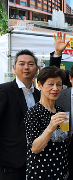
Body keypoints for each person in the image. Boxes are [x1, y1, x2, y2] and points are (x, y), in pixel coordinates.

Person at [0, 50, 40, 180]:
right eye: (21, 64)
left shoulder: (38, 95)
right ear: (14, 67)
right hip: (10, 161)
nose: (26, 68)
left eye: (30, 64)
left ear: (37, 69)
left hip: (34, 160)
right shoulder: (4, 90)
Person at [24, 66, 69, 179]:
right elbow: (34, 148)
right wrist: (50, 127)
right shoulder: (33, 112)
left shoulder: (61, 111)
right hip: (41, 172)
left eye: (59, 84)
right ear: (40, 85)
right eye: (50, 84)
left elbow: (64, 139)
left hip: (61, 171)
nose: (55, 88)